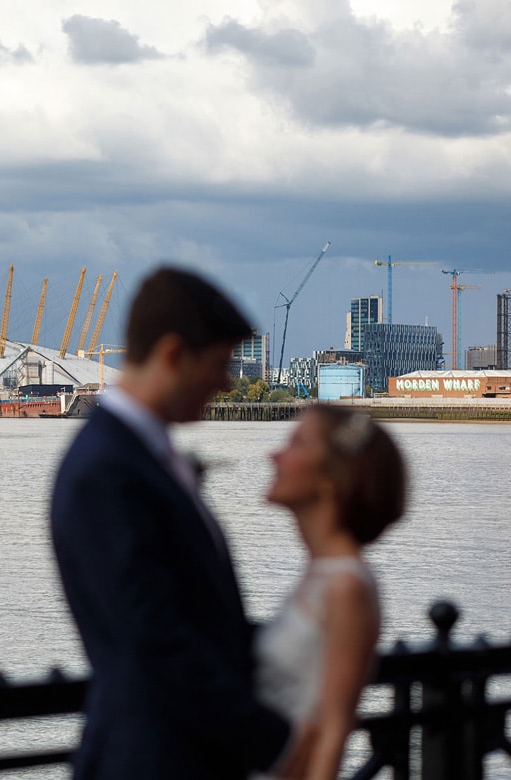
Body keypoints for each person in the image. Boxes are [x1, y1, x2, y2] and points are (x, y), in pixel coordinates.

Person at [50, 267, 306, 780]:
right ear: (171, 355)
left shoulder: (135, 458)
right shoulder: (106, 472)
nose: (227, 381)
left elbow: (193, 616)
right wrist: (275, 742)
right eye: (219, 363)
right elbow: (150, 639)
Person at [254, 405, 406, 780]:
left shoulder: (346, 587)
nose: (274, 455)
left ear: (329, 477)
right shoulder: (320, 574)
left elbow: (333, 731)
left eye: (296, 443)